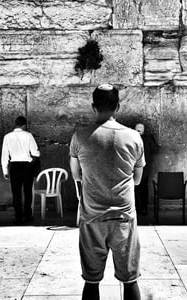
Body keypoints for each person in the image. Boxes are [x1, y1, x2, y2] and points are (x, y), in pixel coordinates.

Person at [69, 84, 145, 300]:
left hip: (92, 217)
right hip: (123, 217)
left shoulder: (80, 136)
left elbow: (76, 176)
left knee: (91, 281)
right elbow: (137, 180)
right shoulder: (133, 137)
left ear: (94, 107)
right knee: (130, 280)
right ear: (118, 106)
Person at [1, 116, 40, 224]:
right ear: (24, 125)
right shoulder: (28, 136)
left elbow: (4, 155)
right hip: (27, 167)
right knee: (28, 191)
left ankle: (18, 216)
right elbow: (35, 153)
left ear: (15, 124)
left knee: (16, 192)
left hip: (14, 167)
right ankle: (27, 214)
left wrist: (5, 170)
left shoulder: (7, 137)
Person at [134, 122, 159, 215]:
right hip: (144, 169)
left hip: (132, 169)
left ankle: (136, 208)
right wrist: (153, 138)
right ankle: (144, 209)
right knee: (144, 188)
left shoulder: (130, 137)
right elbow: (155, 149)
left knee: (134, 189)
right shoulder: (148, 139)